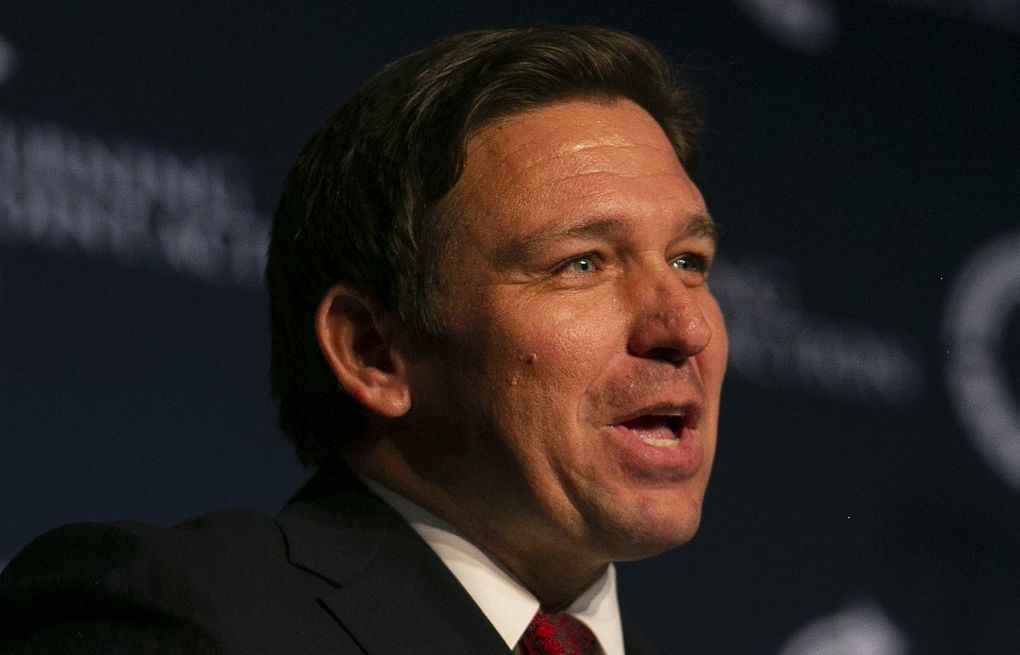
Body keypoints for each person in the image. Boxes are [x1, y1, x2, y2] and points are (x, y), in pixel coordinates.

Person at [0, 25, 727, 654]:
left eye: (688, 262)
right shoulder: (177, 619)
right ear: (372, 352)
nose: (685, 326)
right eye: (581, 263)